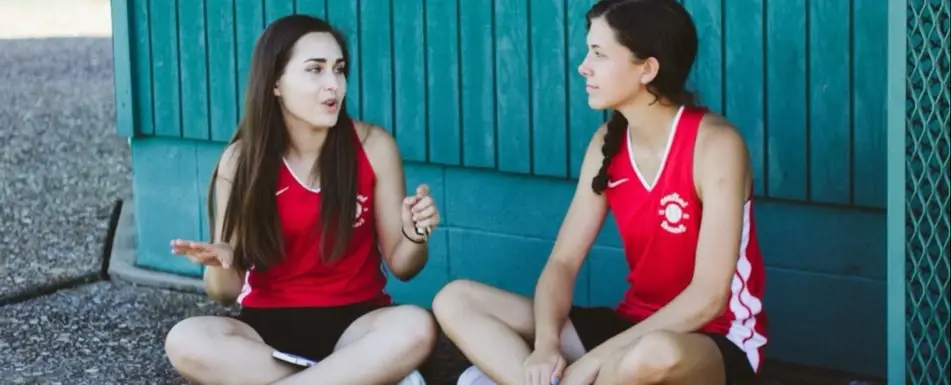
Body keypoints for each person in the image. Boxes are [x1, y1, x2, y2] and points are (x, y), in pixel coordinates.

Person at [431, 0, 768, 384]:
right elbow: (562, 264)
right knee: (456, 299)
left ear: (647, 68)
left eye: (598, 54)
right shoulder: (606, 143)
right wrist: (546, 345)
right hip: (630, 326)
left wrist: (593, 363)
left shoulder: (716, 145)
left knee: (651, 355)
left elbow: (707, 297)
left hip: (710, 342)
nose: (583, 66)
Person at [163, 15, 439, 385]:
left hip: (357, 326)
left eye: (339, 70)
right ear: (276, 83)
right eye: (315, 70)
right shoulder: (242, 161)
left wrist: (415, 234)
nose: (334, 85)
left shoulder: (374, 146)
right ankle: (353, 378)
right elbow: (224, 293)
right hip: (267, 330)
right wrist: (220, 261)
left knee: (416, 327)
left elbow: (405, 266)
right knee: (185, 340)